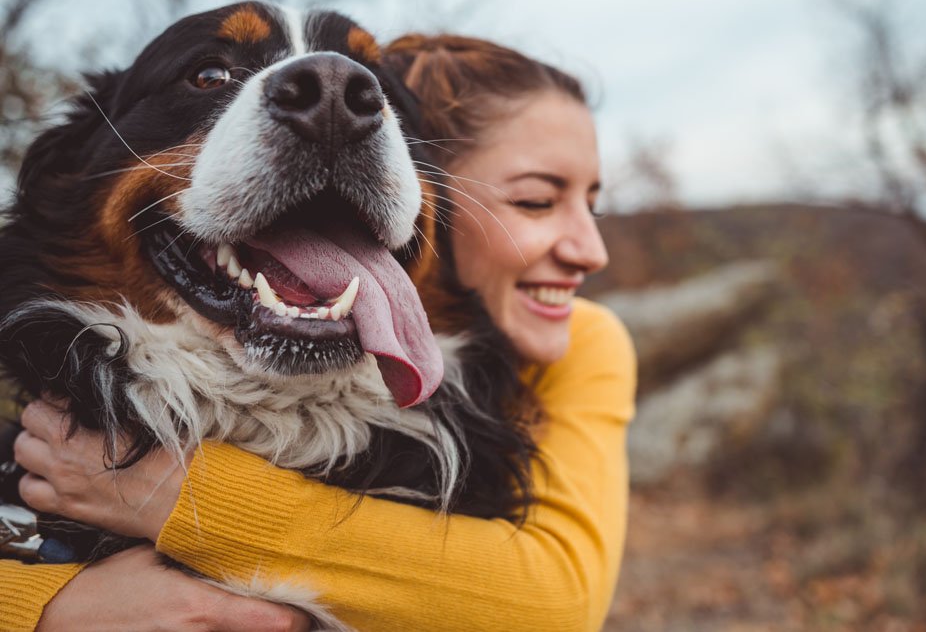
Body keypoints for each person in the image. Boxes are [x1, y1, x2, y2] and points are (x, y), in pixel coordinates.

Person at [1, 34, 636, 632]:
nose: (592, 251)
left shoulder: (586, 341)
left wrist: (178, 497)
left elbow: (556, 599)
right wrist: (43, 603)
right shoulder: (42, 432)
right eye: (535, 201)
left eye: (593, 203)